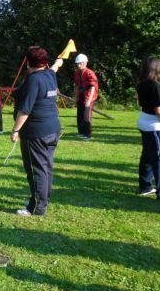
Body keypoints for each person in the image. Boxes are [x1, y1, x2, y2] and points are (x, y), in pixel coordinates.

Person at [11, 46, 64, 216]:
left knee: (36, 170)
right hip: (52, 130)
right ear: (45, 62)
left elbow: (25, 110)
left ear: (28, 62)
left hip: (36, 133)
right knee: (46, 167)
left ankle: (36, 207)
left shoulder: (33, 80)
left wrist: (15, 130)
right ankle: (42, 200)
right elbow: (55, 67)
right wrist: (59, 61)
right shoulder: (50, 74)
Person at [136, 56, 160, 201]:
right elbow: (159, 109)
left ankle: (145, 187)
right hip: (154, 126)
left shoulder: (141, 84)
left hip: (144, 121)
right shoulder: (155, 86)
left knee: (148, 155)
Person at [73, 54, 98, 140]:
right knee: (79, 115)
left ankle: (88, 134)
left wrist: (89, 100)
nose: (78, 65)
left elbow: (93, 87)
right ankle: (81, 132)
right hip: (81, 95)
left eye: (80, 63)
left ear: (85, 63)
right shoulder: (77, 73)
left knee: (86, 116)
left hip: (88, 95)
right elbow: (77, 86)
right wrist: (76, 97)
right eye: (77, 63)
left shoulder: (90, 73)